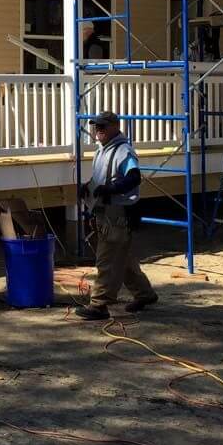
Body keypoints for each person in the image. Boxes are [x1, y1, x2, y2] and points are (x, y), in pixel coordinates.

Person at [75, 111, 158, 320]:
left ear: (114, 127)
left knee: (108, 259)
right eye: (96, 126)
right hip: (105, 212)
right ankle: (144, 294)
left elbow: (133, 177)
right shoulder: (101, 151)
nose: (98, 130)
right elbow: (102, 178)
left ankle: (99, 304)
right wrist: (88, 187)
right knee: (124, 259)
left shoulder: (123, 151)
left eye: (103, 126)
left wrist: (112, 189)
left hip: (118, 213)